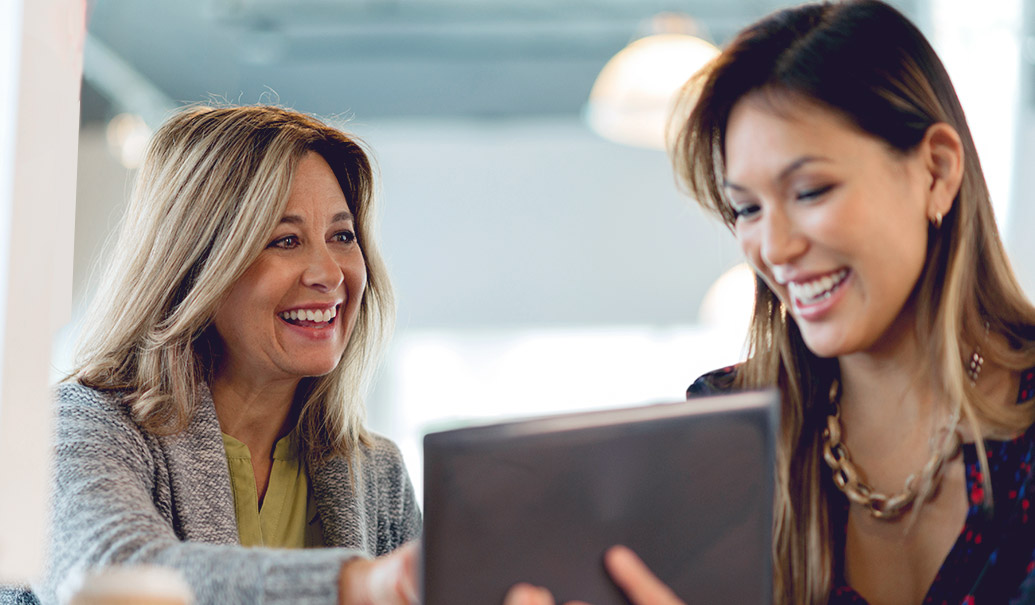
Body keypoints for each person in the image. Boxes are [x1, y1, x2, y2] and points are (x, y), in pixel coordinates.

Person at [507, 1, 1035, 604]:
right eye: (748, 208)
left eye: (810, 191)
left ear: (936, 172)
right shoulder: (726, 439)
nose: (775, 248)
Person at [35, 106, 421, 605]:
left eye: (342, 236)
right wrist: (364, 585)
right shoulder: (76, 428)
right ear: (198, 266)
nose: (328, 273)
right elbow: (107, 580)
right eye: (285, 240)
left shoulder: (376, 473)